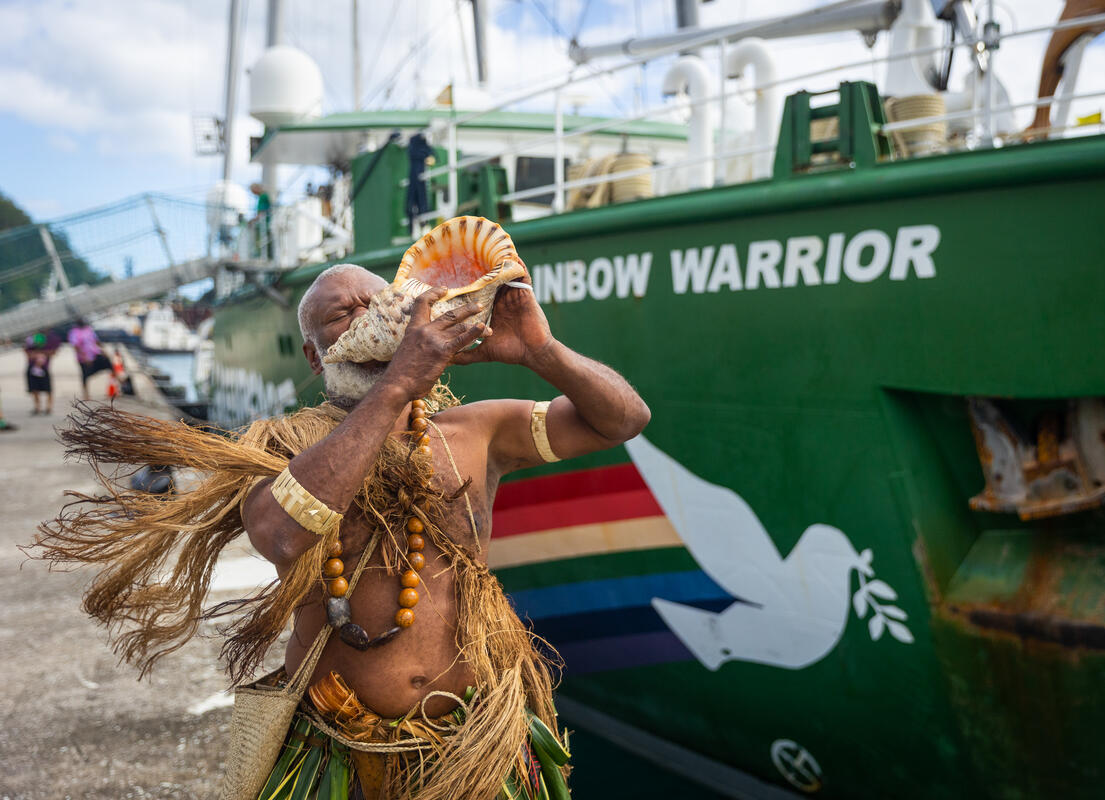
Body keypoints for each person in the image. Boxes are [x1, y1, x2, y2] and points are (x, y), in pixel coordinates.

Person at [34, 263, 650, 799]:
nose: (364, 317)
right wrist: (398, 384)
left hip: (476, 743)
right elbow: (281, 537)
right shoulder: (280, 446)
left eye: (378, 304)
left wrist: (542, 351)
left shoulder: (475, 430)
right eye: (340, 315)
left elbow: (622, 420)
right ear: (314, 356)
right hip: (344, 754)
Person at [67, 319, 112, 401]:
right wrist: (84, 357)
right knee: (85, 376)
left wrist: (103, 350)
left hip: (94, 354)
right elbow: (76, 346)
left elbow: (96, 341)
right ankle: (86, 395)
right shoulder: (74, 332)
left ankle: (120, 384)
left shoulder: (89, 329)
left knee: (109, 364)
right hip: (83, 358)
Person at [24, 331, 58, 415]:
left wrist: (41, 353)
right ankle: (37, 407)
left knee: (48, 389)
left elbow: (53, 352)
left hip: (44, 368)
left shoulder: (49, 339)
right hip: (33, 368)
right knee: (34, 389)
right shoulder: (30, 341)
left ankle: (48, 407)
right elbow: (27, 353)